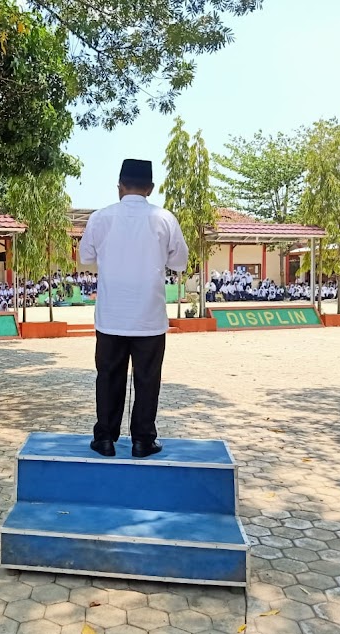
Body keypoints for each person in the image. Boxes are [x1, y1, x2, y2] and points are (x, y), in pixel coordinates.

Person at [79, 159, 188, 458]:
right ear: (150, 188)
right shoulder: (165, 218)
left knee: (108, 377)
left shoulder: (100, 218)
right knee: (147, 379)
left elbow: (86, 258)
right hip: (149, 318)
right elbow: (180, 262)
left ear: (119, 186)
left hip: (111, 317)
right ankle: (142, 440)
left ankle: (104, 438)